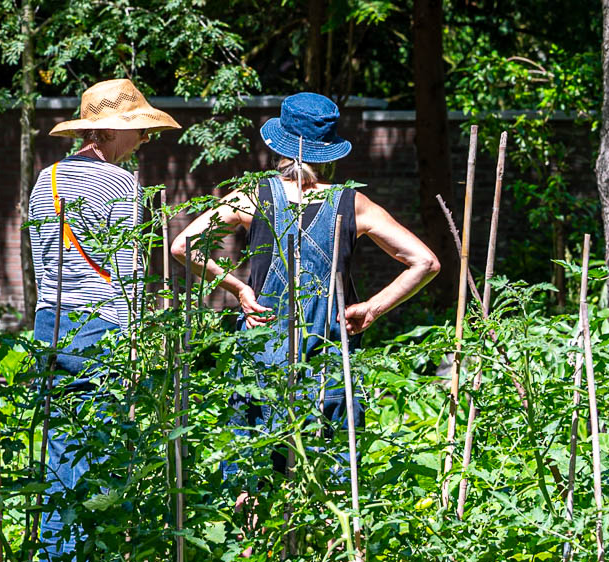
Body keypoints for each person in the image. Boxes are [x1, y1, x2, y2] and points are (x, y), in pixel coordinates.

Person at [170, 90, 440, 517]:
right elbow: (424, 261)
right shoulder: (352, 202)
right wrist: (372, 307)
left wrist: (240, 290)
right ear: (328, 150)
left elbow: (184, 245)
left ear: (278, 144)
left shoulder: (252, 196)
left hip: (263, 349)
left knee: (251, 469)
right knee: (331, 473)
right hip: (328, 355)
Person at [29, 79, 179, 562]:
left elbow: (45, 256)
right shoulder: (118, 182)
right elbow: (128, 270)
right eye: (138, 128)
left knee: (60, 459)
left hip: (52, 325)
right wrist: (138, 340)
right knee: (95, 462)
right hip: (101, 328)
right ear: (115, 129)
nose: (142, 138)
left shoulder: (49, 178)